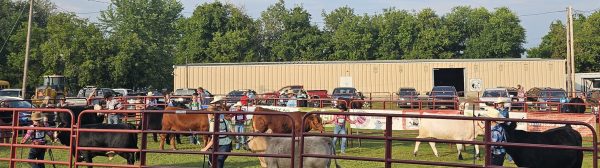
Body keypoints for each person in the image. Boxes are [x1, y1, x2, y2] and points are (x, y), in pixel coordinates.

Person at [202, 96, 232, 168]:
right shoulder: (223, 118)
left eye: (208, 114)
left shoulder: (215, 121)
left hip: (220, 141)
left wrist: (205, 148)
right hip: (225, 143)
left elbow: (214, 139)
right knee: (216, 162)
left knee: (217, 162)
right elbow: (231, 130)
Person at [491, 98, 509, 166]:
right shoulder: (496, 111)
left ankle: (507, 155)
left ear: (502, 104)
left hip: (503, 127)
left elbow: (507, 120)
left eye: (499, 103)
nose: (498, 104)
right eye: (498, 103)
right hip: (498, 127)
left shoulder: (506, 111)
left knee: (506, 139)